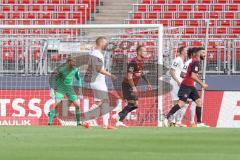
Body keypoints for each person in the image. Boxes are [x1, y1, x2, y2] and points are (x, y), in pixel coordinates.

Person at [164, 47, 209, 128]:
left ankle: (198, 123)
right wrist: (202, 84)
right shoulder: (194, 62)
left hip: (190, 86)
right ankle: (167, 118)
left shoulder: (191, 61)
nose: (205, 55)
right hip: (186, 86)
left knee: (199, 102)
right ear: (197, 53)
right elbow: (192, 76)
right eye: (203, 53)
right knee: (181, 103)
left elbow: (186, 74)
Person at [113, 46, 152, 127]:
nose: (146, 53)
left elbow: (142, 73)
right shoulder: (133, 62)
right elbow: (129, 76)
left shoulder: (141, 61)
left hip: (132, 85)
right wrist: (134, 87)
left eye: (146, 51)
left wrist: (148, 83)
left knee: (135, 105)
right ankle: (119, 120)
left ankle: (119, 116)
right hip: (127, 85)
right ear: (139, 52)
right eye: (144, 51)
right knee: (132, 103)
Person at [48, 57, 89, 128]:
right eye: (73, 62)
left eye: (75, 62)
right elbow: (54, 79)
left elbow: (78, 79)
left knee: (77, 105)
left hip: (69, 89)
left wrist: (80, 91)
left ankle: (78, 122)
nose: (75, 63)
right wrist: (52, 90)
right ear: (69, 62)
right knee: (57, 103)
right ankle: (50, 122)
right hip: (61, 88)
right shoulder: (61, 69)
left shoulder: (75, 69)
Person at [86, 36, 117, 129]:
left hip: (95, 81)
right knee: (103, 102)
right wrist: (110, 75)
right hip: (98, 81)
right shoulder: (97, 54)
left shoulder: (93, 53)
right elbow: (99, 69)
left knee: (102, 102)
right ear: (101, 43)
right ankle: (86, 120)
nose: (106, 44)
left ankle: (105, 124)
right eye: (105, 42)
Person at [169, 46, 188, 127]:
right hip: (175, 83)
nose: (187, 52)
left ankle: (174, 121)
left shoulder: (182, 61)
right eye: (186, 50)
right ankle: (175, 121)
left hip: (179, 83)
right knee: (179, 102)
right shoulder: (177, 60)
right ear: (182, 51)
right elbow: (171, 71)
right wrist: (177, 81)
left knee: (181, 102)